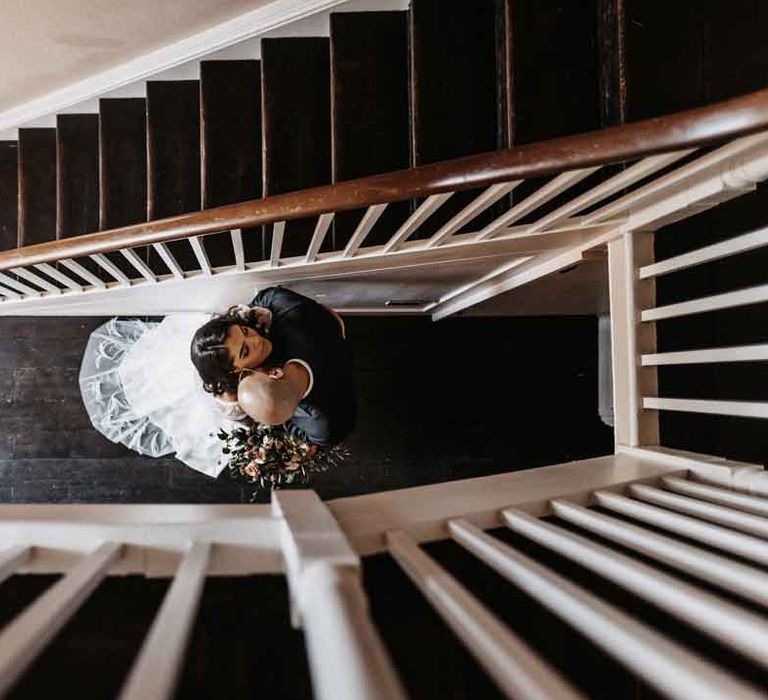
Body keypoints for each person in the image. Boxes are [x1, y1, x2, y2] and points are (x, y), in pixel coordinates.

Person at [190, 286, 356, 448]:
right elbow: (270, 295)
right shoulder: (323, 428)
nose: (257, 340)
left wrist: (278, 416)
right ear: (235, 370)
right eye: (246, 351)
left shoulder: (289, 315)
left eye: (245, 331)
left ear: (275, 371)